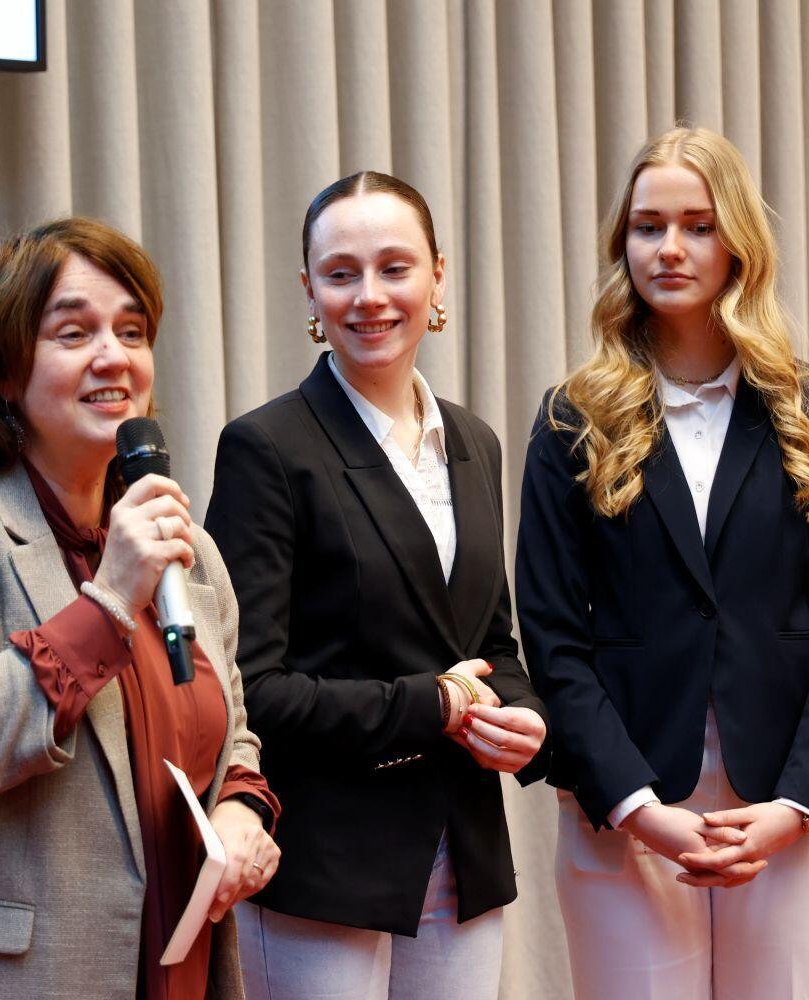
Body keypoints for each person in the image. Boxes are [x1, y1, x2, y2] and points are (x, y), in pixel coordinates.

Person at [0, 217, 280, 999]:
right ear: (3, 372)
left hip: (170, 972)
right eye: (75, 332)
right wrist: (108, 603)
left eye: (132, 331)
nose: (115, 355)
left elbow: (230, 733)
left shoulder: (186, 547)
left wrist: (243, 810)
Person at [516, 127, 809, 999]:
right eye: (649, 226)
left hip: (788, 812)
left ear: (738, 246)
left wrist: (796, 808)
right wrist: (643, 813)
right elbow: (554, 640)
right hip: (627, 814)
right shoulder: (571, 419)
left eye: (698, 224)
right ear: (624, 246)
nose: (671, 248)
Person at [205, 171, 549, 999]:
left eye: (395, 268)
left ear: (437, 275)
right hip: (323, 857)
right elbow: (244, 690)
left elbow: (489, 644)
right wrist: (428, 704)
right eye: (341, 273)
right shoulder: (266, 447)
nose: (370, 297)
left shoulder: (475, 440)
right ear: (309, 293)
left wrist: (524, 714)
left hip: (460, 848)